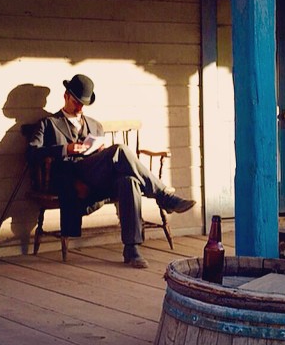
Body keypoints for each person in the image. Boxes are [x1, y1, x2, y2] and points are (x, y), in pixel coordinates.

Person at [27, 74, 195, 268]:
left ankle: (131, 249)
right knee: (120, 150)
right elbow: (31, 154)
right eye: (76, 102)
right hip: (72, 177)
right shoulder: (48, 124)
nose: (80, 108)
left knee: (128, 180)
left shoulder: (94, 125)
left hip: (98, 177)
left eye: (84, 104)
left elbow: (102, 157)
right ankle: (163, 196)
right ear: (66, 96)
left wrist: (99, 152)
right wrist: (66, 149)